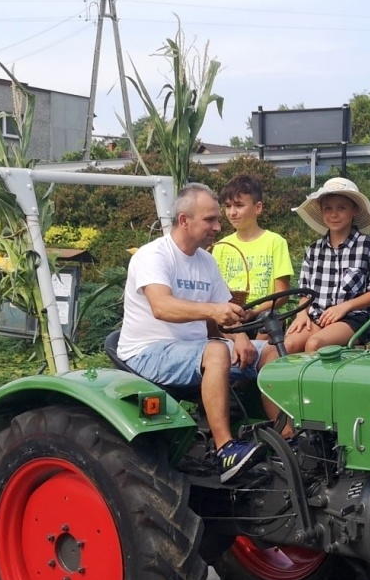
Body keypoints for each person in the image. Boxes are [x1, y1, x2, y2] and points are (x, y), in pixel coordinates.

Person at [117, 182, 276, 482]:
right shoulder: (153, 256)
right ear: (184, 221)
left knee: (269, 351)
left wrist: (241, 337)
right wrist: (213, 313)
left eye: (217, 219)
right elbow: (162, 307)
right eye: (210, 220)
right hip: (148, 351)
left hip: (195, 351)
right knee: (216, 351)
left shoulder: (206, 261)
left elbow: (226, 311)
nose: (218, 226)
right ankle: (225, 449)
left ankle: (287, 438)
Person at [285, 177, 370, 354]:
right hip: (317, 317)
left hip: (353, 318)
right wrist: (301, 314)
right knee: (289, 345)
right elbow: (304, 293)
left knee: (314, 344)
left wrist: (344, 307)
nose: (334, 214)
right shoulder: (314, 250)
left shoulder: (367, 245)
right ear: (321, 211)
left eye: (341, 208)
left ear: (355, 210)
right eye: (328, 208)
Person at [212, 174, 294, 311]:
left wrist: (254, 313)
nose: (232, 212)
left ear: (258, 208)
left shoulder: (275, 242)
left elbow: (282, 294)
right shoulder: (221, 246)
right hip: (229, 313)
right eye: (228, 206)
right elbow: (215, 291)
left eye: (239, 205)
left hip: (265, 316)